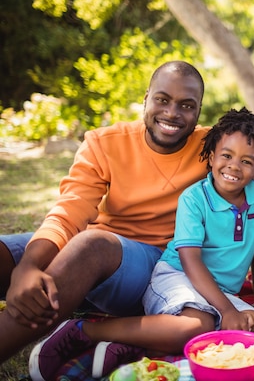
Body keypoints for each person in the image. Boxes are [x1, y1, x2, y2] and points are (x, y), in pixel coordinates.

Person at [27, 107, 254, 379]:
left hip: (221, 291)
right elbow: (189, 260)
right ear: (212, 155)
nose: (233, 167)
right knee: (196, 326)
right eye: (226, 155)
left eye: (247, 162)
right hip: (178, 275)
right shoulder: (194, 199)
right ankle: (83, 330)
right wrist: (227, 309)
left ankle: (125, 347)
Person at [0, 61, 210, 367]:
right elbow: (70, 210)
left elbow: (251, 153)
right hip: (90, 254)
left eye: (186, 105)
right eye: (162, 100)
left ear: (199, 111)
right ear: (146, 99)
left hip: (153, 266)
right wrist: (29, 266)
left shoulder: (212, 148)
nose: (172, 113)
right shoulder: (104, 142)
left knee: (92, 245)